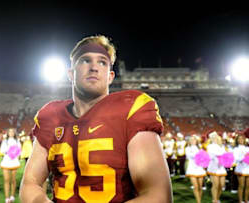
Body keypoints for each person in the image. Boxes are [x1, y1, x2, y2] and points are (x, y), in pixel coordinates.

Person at [19, 35, 172, 202]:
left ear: (110, 76)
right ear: (71, 73)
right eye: (85, 60)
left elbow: (157, 195)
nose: (94, 67)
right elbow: (30, 183)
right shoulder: (50, 115)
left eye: (102, 62)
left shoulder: (131, 109)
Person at [0, 128, 21, 203]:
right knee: (6, 180)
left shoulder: (17, 141)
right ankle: (6, 198)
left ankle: (12, 196)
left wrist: (15, 153)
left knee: (13, 180)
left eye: (13, 132)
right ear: (8, 133)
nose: (11, 133)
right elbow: (1, 150)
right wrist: (9, 151)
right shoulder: (5, 141)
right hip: (6, 161)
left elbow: (19, 151)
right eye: (10, 131)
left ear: (14, 133)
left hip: (14, 161)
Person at [185, 135, 206, 203]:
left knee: (200, 186)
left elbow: (203, 157)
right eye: (191, 140)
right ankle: (198, 201)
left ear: (196, 141)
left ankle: (199, 199)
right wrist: (198, 154)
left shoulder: (200, 148)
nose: (192, 141)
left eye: (194, 140)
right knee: (196, 186)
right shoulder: (187, 148)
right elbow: (190, 156)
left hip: (199, 168)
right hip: (192, 168)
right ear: (189, 141)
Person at [207, 131, 227, 203]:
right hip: (214, 167)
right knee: (216, 185)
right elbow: (212, 155)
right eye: (213, 137)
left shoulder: (222, 146)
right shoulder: (209, 146)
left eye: (216, 137)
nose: (215, 138)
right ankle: (214, 200)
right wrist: (220, 154)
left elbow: (225, 155)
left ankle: (217, 198)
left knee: (222, 185)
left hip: (221, 167)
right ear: (211, 139)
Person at [233, 132, 249, 203]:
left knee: (248, 186)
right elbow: (236, 159)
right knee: (241, 185)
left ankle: (246, 200)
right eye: (239, 139)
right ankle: (240, 200)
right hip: (241, 168)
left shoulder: (248, 148)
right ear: (237, 140)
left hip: (248, 168)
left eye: (242, 139)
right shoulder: (236, 149)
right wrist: (244, 157)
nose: (241, 140)